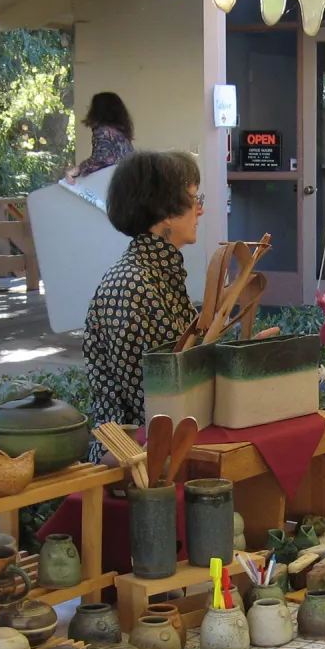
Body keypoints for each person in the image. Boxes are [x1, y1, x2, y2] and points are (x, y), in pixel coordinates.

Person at [83, 150, 203, 431]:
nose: (201, 210)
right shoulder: (131, 285)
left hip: (171, 436)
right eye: (195, 198)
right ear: (166, 212)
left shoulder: (159, 272)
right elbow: (153, 400)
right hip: (135, 454)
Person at [64, 92, 134, 183]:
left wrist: (78, 169)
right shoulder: (120, 133)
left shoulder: (103, 131)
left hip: (113, 184)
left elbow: (101, 158)